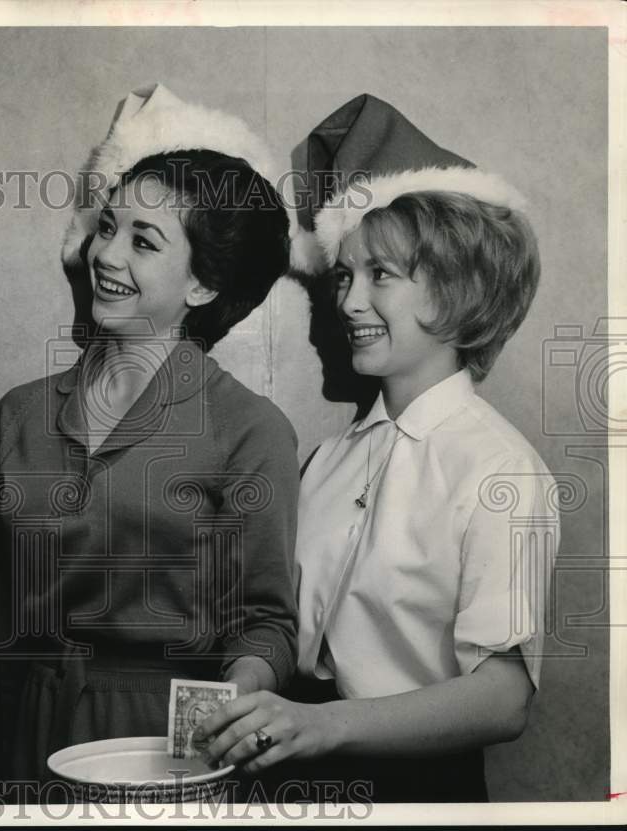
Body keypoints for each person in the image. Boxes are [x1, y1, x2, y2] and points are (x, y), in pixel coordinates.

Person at [195, 94, 558, 802]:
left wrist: (324, 726)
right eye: (344, 276)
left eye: (379, 276)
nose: (350, 301)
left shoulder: (499, 469)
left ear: (458, 288)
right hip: (290, 779)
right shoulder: (327, 462)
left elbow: (505, 697)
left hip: (418, 790)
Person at [0, 85, 305, 784]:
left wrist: (220, 721)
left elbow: (266, 620)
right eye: (107, 226)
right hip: (23, 724)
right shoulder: (18, 413)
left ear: (201, 284)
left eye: (143, 240)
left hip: (163, 741)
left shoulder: (250, 430)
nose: (106, 254)